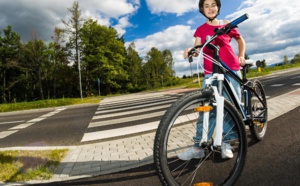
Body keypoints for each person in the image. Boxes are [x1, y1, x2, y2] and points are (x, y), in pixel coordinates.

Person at [177, 0, 246, 161]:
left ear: (218, 7)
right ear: (202, 9)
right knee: (207, 108)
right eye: (206, 6)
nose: (210, 8)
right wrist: (191, 51)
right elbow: (197, 48)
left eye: (213, 4)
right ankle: (198, 147)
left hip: (231, 69)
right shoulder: (200, 30)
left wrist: (241, 55)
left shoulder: (226, 24)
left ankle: (227, 142)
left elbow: (240, 40)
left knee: (229, 107)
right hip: (210, 72)